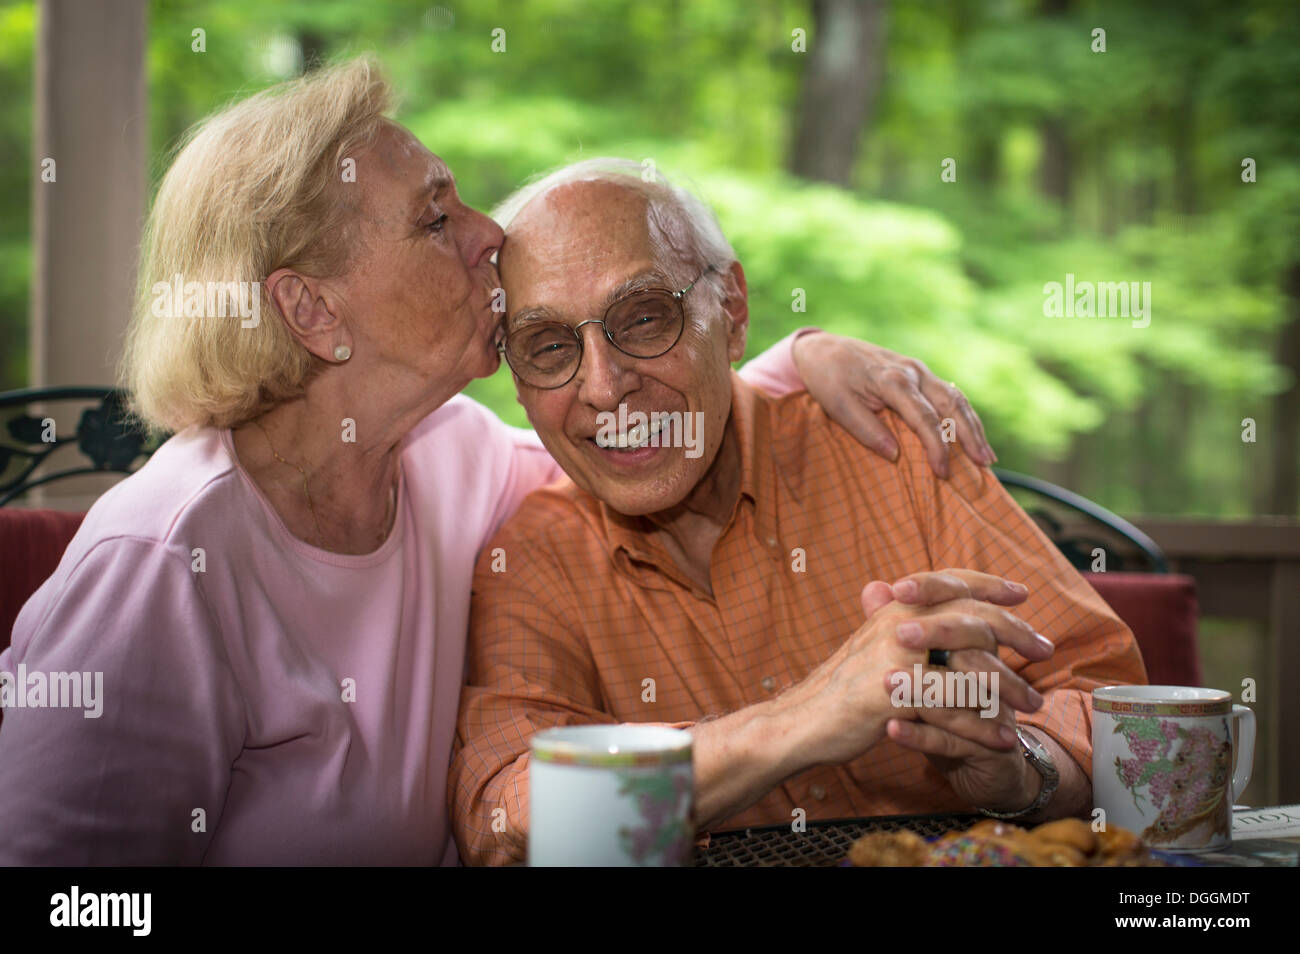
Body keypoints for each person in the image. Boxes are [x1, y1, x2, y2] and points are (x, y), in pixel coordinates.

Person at [0, 60, 989, 865]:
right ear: (313, 311)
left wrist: (791, 357)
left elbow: (632, 432)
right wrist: (812, 711)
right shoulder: (163, 560)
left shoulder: (451, 457)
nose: (490, 237)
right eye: (437, 218)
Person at [449, 159, 1148, 866]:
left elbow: (1119, 711)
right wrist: (805, 719)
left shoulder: (894, 454)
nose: (603, 386)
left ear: (732, 314)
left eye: (645, 317)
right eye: (549, 346)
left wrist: (1019, 769)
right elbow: (503, 818)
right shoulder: (531, 557)